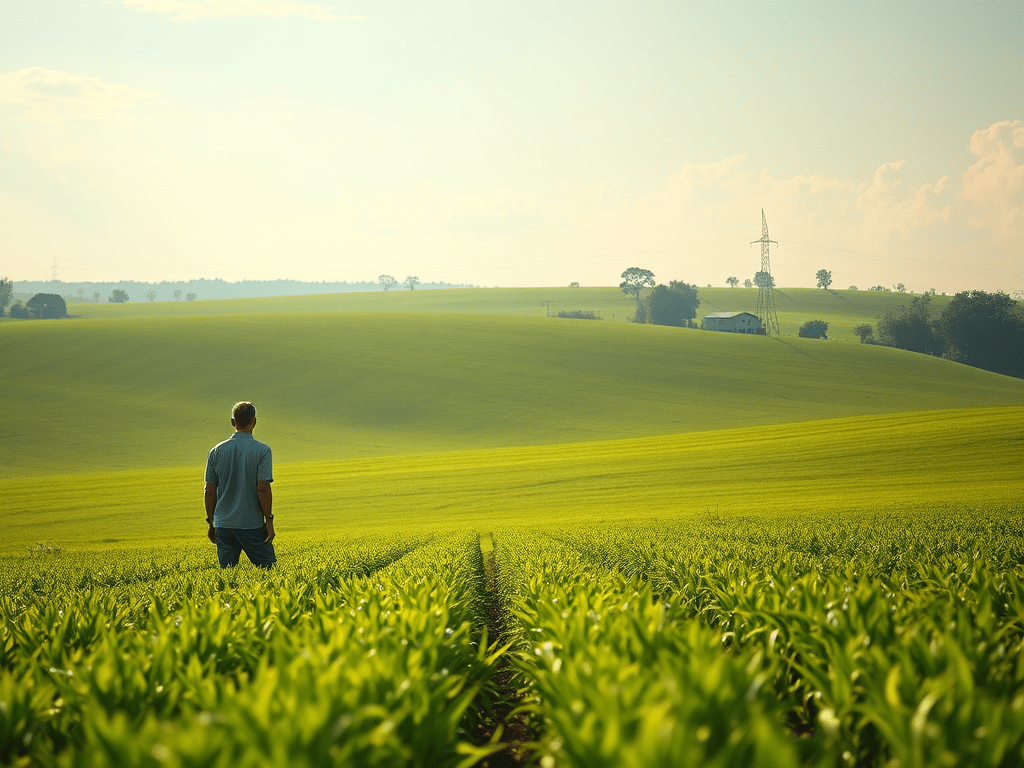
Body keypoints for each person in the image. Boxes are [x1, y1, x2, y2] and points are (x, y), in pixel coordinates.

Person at [204, 401, 276, 568]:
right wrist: (269, 520)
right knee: (269, 570)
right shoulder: (263, 451)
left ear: (232, 422)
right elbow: (263, 488)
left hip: (223, 524)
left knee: (228, 574)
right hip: (251, 524)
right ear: (254, 422)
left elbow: (209, 489)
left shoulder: (215, 452)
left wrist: (211, 522)